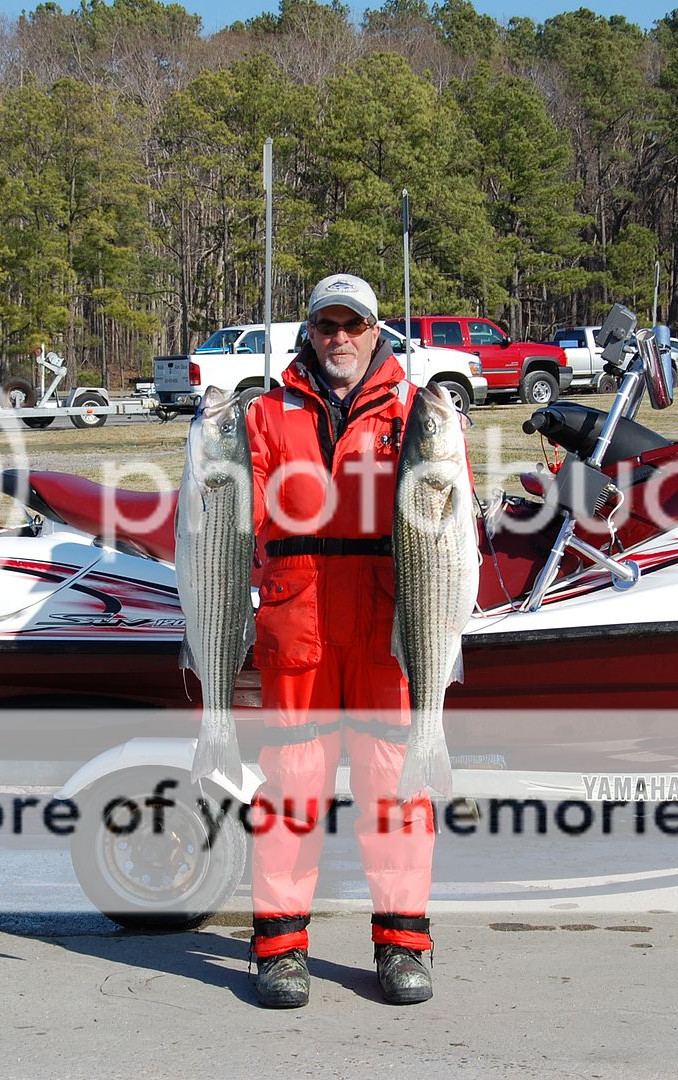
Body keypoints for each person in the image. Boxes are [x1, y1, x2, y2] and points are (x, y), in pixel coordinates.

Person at [243, 273, 439, 1008]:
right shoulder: (263, 412)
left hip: (389, 626)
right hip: (297, 627)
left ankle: (402, 946)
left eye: (352, 326)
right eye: (327, 326)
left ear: (376, 331)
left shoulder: (417, 412)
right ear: (308, 333)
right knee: (292, 791)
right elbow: (239, 513)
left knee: (395, 789)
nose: (340, 339)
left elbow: (451, 519)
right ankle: (280, 951)